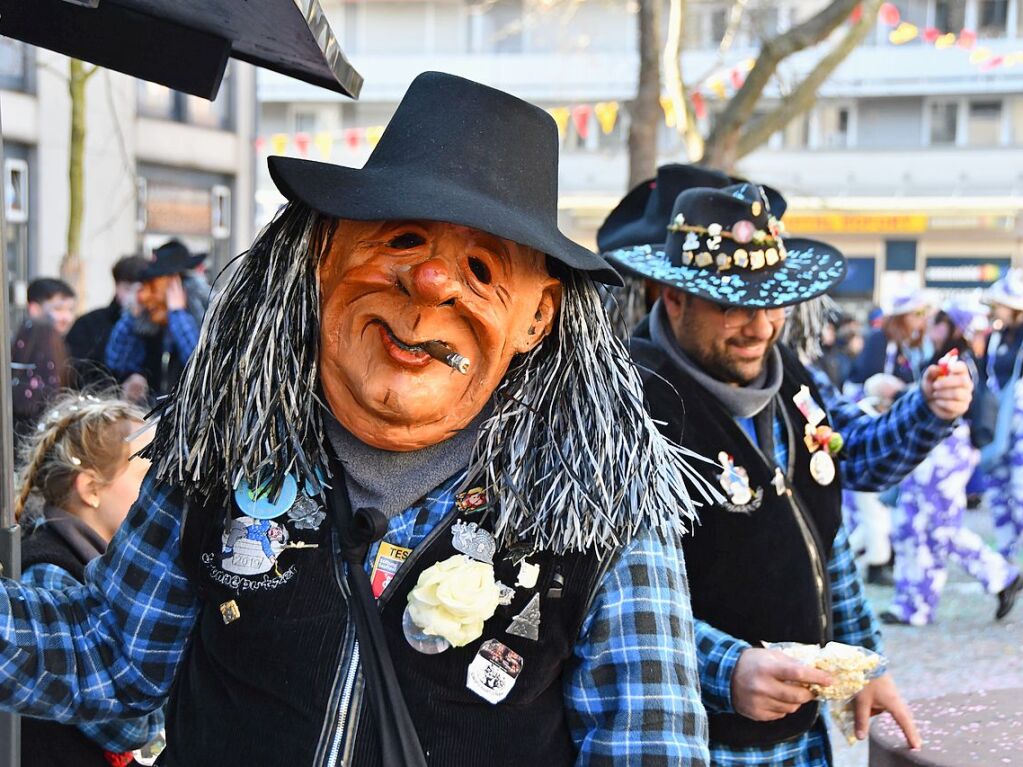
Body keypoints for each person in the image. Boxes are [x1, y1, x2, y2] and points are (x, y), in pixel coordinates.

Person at [0, 72, 712, 765]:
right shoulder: (221, 444)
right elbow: (115, 663)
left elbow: (650, 746)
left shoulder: (599, 507)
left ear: (537, 317)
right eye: (403, 240)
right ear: (323, 253)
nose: (430, 284)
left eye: (482, 269)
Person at [601, 178, 974, 765]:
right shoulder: (625, 405)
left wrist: (866, 660)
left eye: (772, 302)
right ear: (671, 297)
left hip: (800, 740)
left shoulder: (789, 377)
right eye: (732, 307)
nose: (760, 328)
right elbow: (603, 598)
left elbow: (826, 532)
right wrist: (728, 668)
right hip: (696, 744)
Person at [14, 393, 163, 767]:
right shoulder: (50, 573)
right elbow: (126, 726)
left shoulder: (96, 564)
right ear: (91, 489)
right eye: (148, 474)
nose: (163, 491)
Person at [883, 300, 1021, 625]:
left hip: (946, 449)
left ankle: (999, 575)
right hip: (935, 450)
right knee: (911, 526)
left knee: (937, 528)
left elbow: (941, 403)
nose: (930, 328)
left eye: (937, 323)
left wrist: (899, 392)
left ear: (952, 327)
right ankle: (913, 605)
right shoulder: (956, 357)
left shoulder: (958, 360)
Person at [104, 240, 210, 402]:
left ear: (179, 288)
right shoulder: (147, 324)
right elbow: (116, 362)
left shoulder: (204, 322)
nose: (144, 296)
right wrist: (132, 317)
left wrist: (177, 313)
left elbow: (200, 362)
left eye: (153, 287)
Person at [977, 269, 1023, 569]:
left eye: (999, 305)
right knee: (997, 491)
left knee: (1020, 491)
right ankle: (1007, 557)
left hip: (1019, 426)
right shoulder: (995, 337)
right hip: (999, 425)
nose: (994, 311)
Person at [66, 255, 150, 390]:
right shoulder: (88, 324)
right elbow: (77, 373)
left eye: (141, 289)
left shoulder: (158, 326)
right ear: (117, 287)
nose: (135, 297)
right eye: (128, 289)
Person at [11, 278, 76, 443]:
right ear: (35, 309)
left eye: (70, 309)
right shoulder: (40, 333)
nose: (66, 317)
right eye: (58, 309)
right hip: (33, 436)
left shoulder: (49, 339)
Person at [850, 289, 931, 386]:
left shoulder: (911, 343)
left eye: (925, 312)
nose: (924, 317)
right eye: (919, 312)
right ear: (901, 317)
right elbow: (870, 379)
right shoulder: (879, 339)